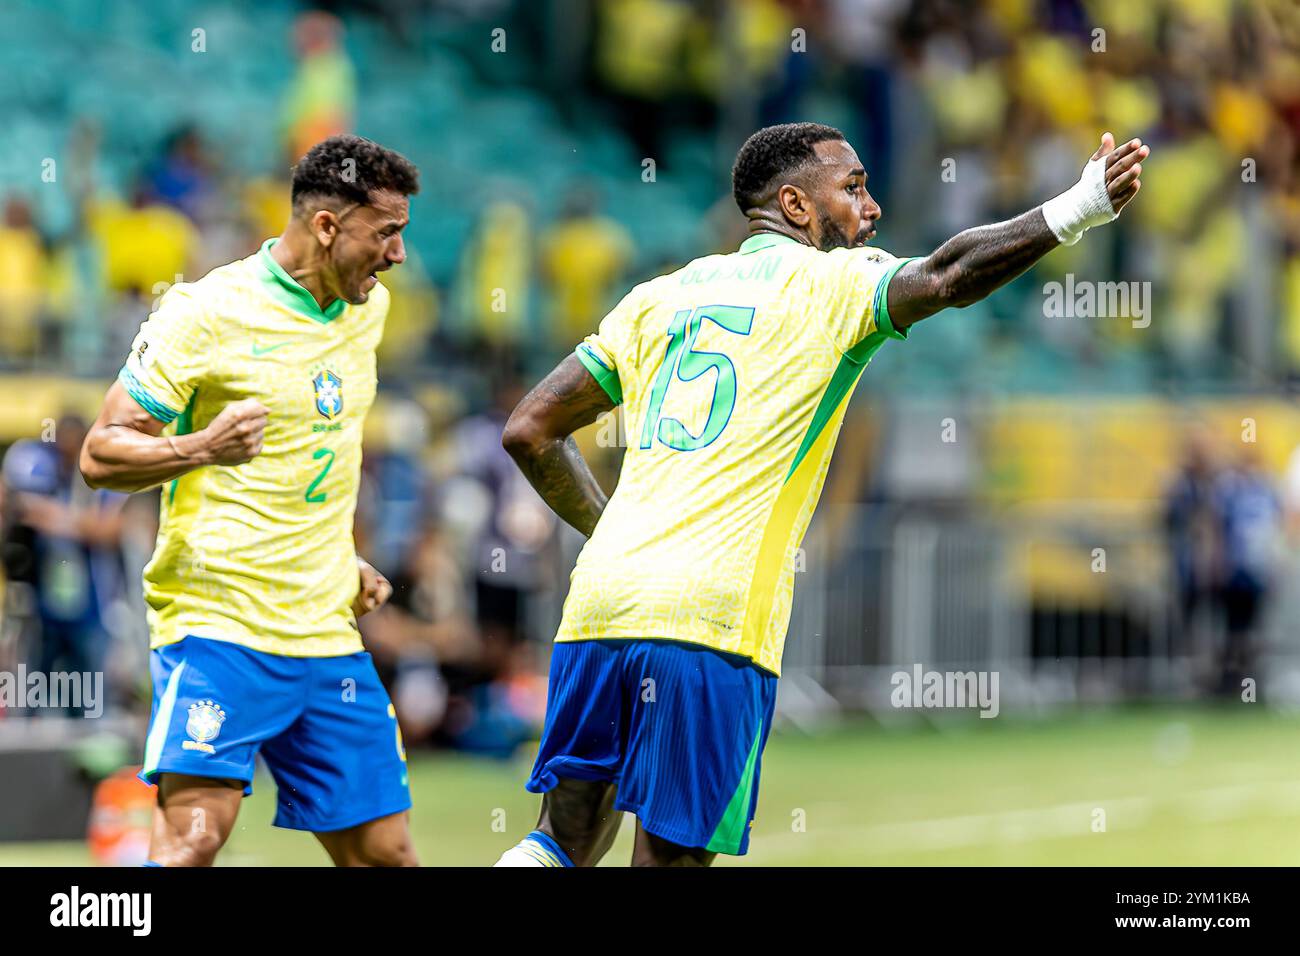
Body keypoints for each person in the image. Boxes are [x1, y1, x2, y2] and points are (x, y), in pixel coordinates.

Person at [495, 121, 1148, 866]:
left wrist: (611, 530)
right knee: (671, 858)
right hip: (712, 622)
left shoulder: (658, 297)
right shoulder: (834, 284)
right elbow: (945, 276)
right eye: (853, 188)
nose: (870, 211)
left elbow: (529, 429)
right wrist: (1077, 207)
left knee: (560, 844)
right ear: (796, 206)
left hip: (601, 604)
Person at [79, 134, 420, 866]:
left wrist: (342, 555)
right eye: (386, 232)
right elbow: (100, 453)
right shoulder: (204, 312)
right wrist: (198, 448)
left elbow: (316, 454)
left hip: (325, 633)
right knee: (191, 847)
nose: (397, 255)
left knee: (386, 855)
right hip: (221, 626)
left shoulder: (369, 312)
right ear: (327, 226)